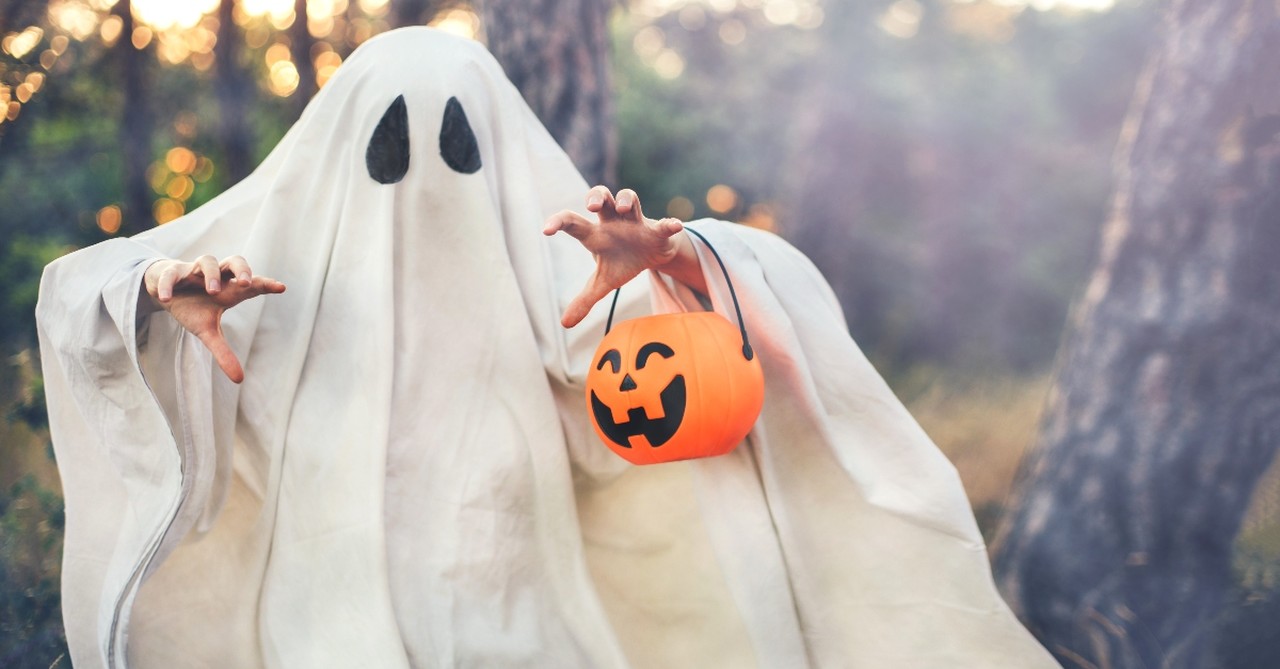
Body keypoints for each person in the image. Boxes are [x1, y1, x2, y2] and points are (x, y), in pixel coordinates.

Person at [37, 27, 1057, 669]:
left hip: (524, 635)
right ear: (339, 149)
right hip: (321, 637)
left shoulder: (560, 306)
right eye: (391, 143)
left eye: (460, 145)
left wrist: (676, 264)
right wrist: (153, 303)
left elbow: (670, 401)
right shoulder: (266, 296)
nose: (425, 182)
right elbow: (85, 295)